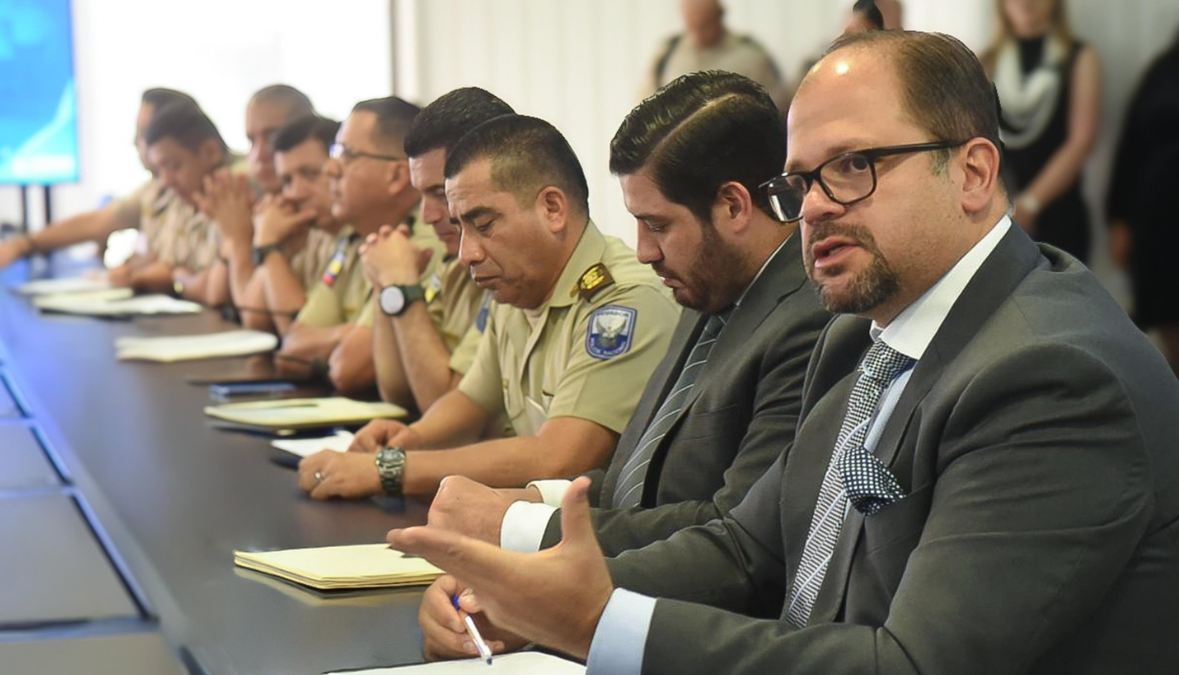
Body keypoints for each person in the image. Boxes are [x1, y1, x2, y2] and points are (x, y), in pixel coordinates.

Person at [389, 30, 1179, 675]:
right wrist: (525, 591)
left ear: (972, 172)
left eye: (853, 167)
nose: (817, 209)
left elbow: (910, 664)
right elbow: (745, 545)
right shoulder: (863, 335)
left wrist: (596, 622)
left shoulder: (1052, 374)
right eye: (801, 182)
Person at [417, 70, 834, 661]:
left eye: (658, 224)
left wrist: (519, 541)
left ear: (735, 205)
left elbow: (736, 538)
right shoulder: (706, 289)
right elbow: (637, 481)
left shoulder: (810, 323)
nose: (643, 250)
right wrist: (509, 563)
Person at [297, 114, 679, 501]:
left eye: (484, 224)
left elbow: (559, 458)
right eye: (460, 228)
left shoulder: (624, 302)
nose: (467, 254)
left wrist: (389, 470)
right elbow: (473, 398)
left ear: (552, 209)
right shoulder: (517, 285)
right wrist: (408, 440)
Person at [277, 97, 442, 395]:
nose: (332, 169)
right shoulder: (353, 237)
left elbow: (348, 369)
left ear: (396, 175)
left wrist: (346, 341)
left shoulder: (426, 244)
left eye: (347, 155)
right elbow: (291, 347)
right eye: (334, 152)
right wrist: (352, 334)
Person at [364, 87, 512, 414]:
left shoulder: (513, 272)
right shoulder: (453, 266)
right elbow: (396, 391)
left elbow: (441, 405)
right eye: (421, 197)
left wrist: (400, 286)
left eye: (440, 194)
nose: (428, 216)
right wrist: (385, 284)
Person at [0, 88, 198, 276]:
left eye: (144, 135)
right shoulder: (157, 188)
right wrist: (21, 245)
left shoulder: (220, 182)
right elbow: (100, 221)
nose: (135, 143)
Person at [982, 0, 1100, 262]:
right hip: (999, 218)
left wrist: (1031, 203)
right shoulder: (985, 62)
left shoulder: (1078, 57)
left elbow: (1081, 141)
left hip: (1061, 215)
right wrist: (1005, 207)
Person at [204, 115, 342, 335]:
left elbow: (297, 336)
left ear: (339, 170)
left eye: (310, 174)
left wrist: (265, 247)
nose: (296, 192)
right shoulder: (303, 227)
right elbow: (254, 316)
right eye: (287, 181)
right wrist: (274, 248)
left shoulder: (355, 232)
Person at [197, 85, 320, 311]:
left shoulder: (316, 209)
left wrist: (241, 240)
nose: (259, 154)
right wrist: (235, 237)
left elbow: (253, 314)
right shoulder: (255, 199)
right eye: (252, 140)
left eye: (272, 137)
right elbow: (216, 293)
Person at [1107, 27, 1179, 375]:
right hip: (1159, 227)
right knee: (1167, 324)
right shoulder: (1163, 69)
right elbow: (1131, 146)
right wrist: (1119, 218)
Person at [126, 102, 246, 303]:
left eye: (174, 166)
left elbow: (213, 292)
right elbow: (168, 264)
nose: (166, 181)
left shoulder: (234, 187)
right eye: (159, 170)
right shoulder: (186, 195)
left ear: (210, 152)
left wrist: (177, 278)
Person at [640, 0, 786, 111]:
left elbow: (776, 106)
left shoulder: (751, 56)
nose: (698, 35)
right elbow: (645, 105)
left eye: (705, 26)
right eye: (692, 26)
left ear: (719, 15)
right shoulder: (668, 54)